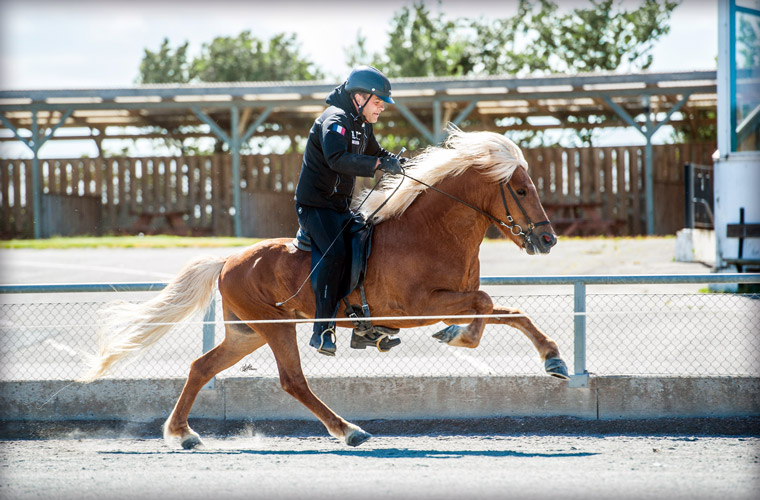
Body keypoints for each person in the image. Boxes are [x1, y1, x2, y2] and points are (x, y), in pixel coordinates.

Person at [294, 65, 403, 356]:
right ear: (360, 97)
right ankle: (322, 329)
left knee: (368, 243)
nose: (381, 108)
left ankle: (363, 328)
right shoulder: (335, 119)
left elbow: (376, 154)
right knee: (336, 254)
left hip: (339, 208)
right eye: (378, 102)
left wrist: (395, 162)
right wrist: (378, 166)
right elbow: (336, 159)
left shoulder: (362, 125)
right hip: (315, 207)